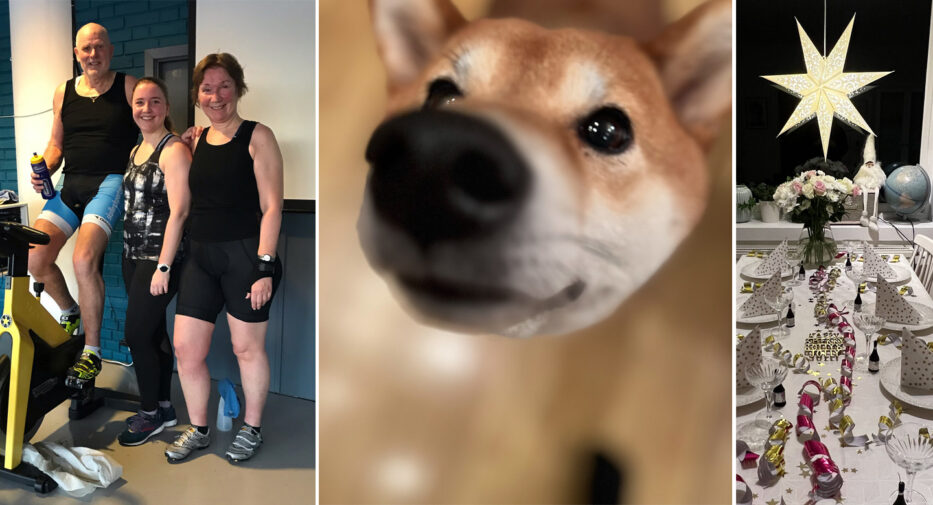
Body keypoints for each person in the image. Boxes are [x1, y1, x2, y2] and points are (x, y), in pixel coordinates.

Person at [165, 53, 283, 464]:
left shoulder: (258, 136)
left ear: (238, 89)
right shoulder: (195, 140)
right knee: (186, 349)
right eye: (207, 88)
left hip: (246, 257)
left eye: (224, 86)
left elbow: (272, 207)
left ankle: (252, 429)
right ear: (197, 95)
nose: (216, 97)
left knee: (246, 348)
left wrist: (265, 268)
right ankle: (198, 430)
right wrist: (183, 143)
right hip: (201, 257)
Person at [29, 23, 139, 387]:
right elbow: (56, 144)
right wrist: (46, 165)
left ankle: (92, 352)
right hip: (70, 183)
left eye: (99, 47)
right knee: (35, 257)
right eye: (85, 49)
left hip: (110, 181)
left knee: (82, 259)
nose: (93, 54)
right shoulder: (63, 91)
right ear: (76, 54)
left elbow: (155, 126)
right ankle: (70, 312)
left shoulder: (128, 86)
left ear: (110, 49)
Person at [117, 77, 191, 446]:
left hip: (159, 259)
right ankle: (164, 405)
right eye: (140, 102)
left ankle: (148, 414)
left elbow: (179, 212)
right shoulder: (135, 150)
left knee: (136, 335)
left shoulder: (173, 150)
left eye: (154, 101)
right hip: (132, 256)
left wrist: (163, 266)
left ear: (165, 107)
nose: (146, 109)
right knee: (153, 333)